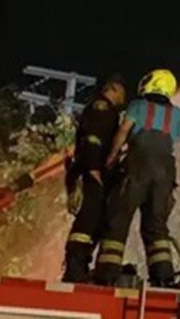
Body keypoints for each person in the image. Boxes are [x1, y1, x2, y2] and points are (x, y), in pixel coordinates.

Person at [94, 69, 180, 287]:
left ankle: (106, 274)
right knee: (157, 227)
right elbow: (174, 141)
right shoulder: (177, 113)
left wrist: (112, 156)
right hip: (165, 174)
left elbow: (123, 131)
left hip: (137, 168)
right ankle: (163, 276)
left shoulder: (138, 106)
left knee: (118, 219)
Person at [62, 75, 127, 283]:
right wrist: (92, 168)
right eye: (122, 94)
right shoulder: (102, 108)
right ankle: (74, 268)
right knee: (88, 220)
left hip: (94, 170)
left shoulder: (106, 111)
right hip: (92, 172)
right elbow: (92, 139)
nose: (122, 99)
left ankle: (79, 267)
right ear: (114, 89)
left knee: (96, 219)